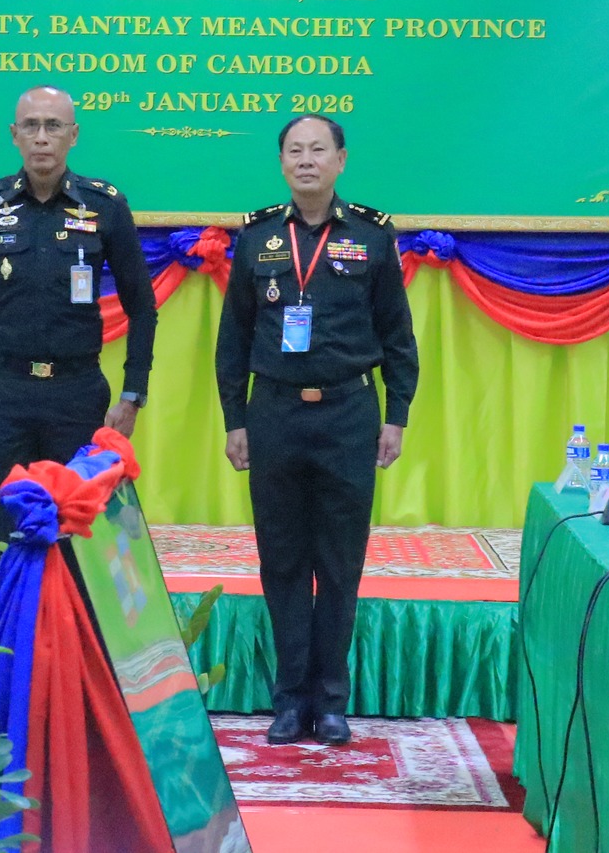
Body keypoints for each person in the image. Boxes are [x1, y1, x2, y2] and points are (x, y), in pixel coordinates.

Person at [215, 115, 418, 748]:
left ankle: (330, 701)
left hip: (348, 414)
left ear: (340, 160)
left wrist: (396, 415)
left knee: (338, 563)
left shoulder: (372, 235)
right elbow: (233, 338)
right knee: (281, 560)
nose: (306, 160)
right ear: (282, 163)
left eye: (318, 150)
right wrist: (235, 419)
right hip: (274, 413)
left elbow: (397, 335)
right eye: (295, 151)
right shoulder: (256, 237)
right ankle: (288, 700)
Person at [0, 86, 157, 578]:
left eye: (53, 126)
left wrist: (133, 393)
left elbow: (142, 307)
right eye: (31, 126)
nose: (42, 137)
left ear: (73, 136)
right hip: (4, 394)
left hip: (76, 394)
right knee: (7, 540)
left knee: (76, 541)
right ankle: (7, 630)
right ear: (14, 135)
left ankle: (72, 632)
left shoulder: (104, 205)